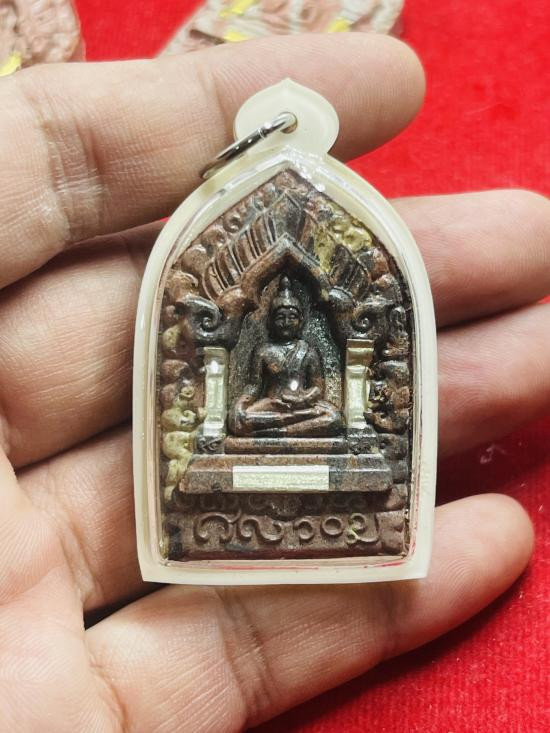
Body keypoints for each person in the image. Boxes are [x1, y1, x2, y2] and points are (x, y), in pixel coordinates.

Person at [0, 30, 547, 731]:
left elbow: (317, 399)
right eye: (281, 313)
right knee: (248, 419)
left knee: (327, 419)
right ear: (270, 314)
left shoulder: (312, 348)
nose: (288, 319)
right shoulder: (261, 344)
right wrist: (257, 411)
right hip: (265, 423)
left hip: (311, 422)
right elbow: (256, 402)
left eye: (293, 313)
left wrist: (306, 406)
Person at [228, 275, 343, 437]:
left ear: (301, 321)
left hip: (301, 406)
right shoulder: (263, 351)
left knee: (333, 418)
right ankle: (290, 429)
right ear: (271, 321)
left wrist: (304, 399)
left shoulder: (308, 351)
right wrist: (240, 404)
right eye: (280, 317)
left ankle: (280, 431)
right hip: (272, 405)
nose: (286, 322)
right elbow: (253, 386)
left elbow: (318, 387)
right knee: (238, 421)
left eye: (292, 317)